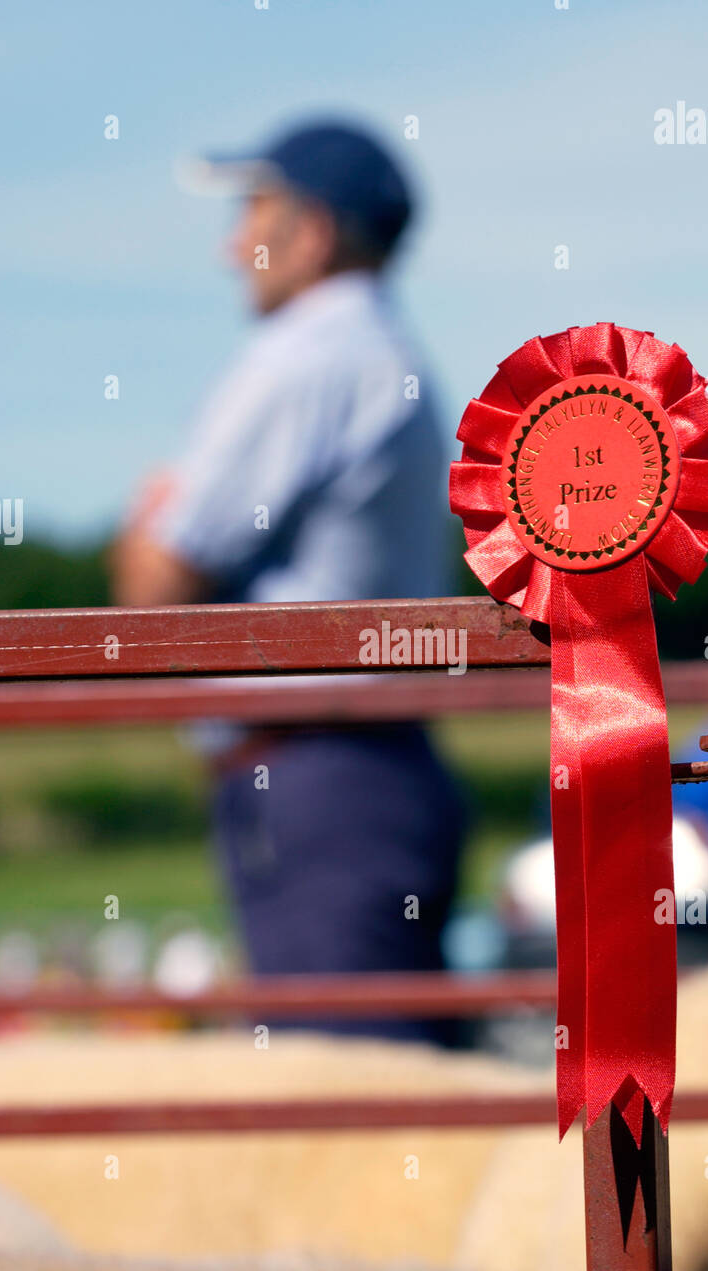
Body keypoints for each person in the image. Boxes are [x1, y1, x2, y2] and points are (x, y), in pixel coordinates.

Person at [112, 119, 465, 1043]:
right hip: (361, 768)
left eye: (252, 213)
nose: (233, 246)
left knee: (342, 1083)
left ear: (310, 233)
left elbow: (157, 581)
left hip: (319, 775)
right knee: (384, 1079)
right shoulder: (377, 351)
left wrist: (149, 519)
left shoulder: (310, 355)